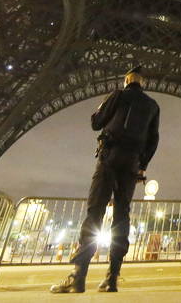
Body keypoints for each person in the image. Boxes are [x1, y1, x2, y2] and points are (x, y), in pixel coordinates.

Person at [51, 67, 160, 293]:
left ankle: (78, 276)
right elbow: (153, 141)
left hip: (109, 158)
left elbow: (96, 122)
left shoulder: (117, 95)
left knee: (95, 212)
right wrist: (142, 166)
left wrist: (103, 107)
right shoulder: (152, 106)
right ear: (143, 83)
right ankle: (112, 277)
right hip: (132, 164)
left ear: (127, 80)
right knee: (122, 216)